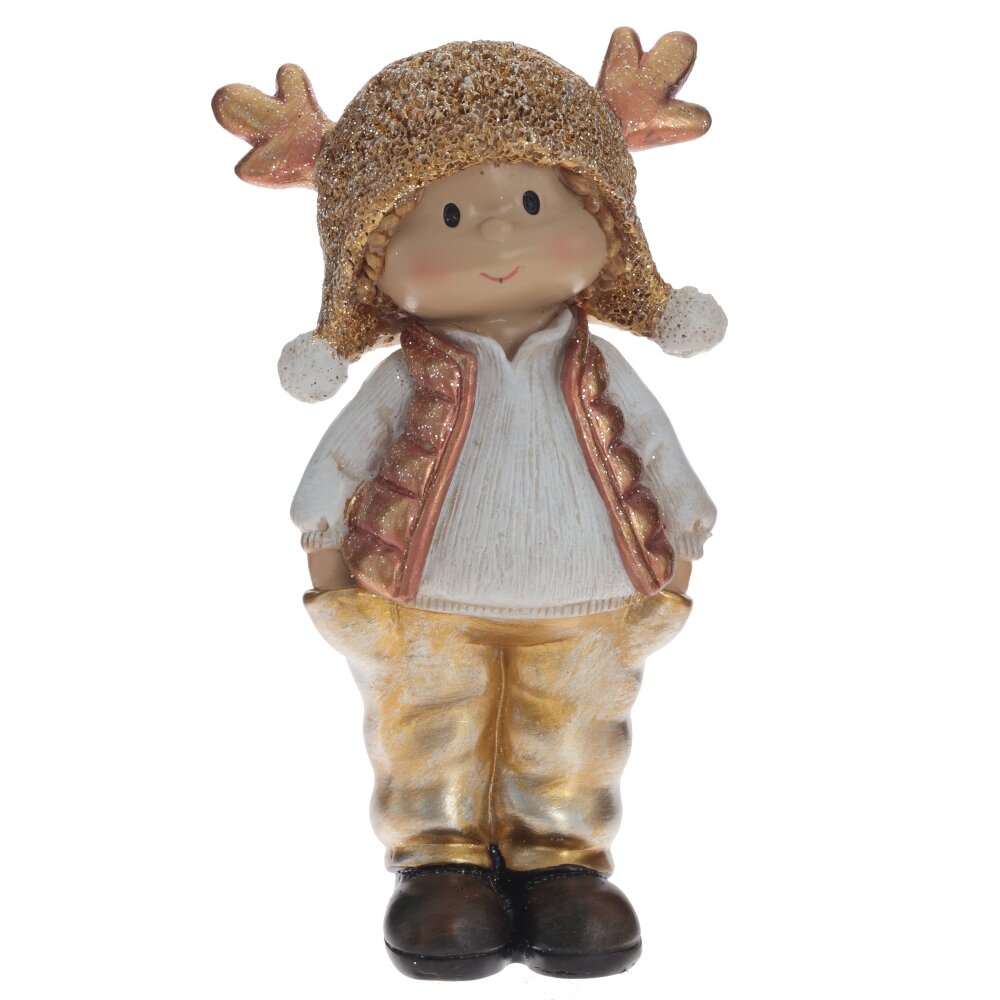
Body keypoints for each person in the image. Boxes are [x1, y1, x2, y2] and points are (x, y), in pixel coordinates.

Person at [213, 31, 726, 980]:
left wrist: (685, 527)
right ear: (374, 256)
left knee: (572, 726)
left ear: (603, 221)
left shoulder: (596, 365)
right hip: (425, 601)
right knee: (429, 721)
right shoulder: (408, 375)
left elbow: (656, 452)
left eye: (532, 204)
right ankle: (439, 859)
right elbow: (337, 467)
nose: (496, 238)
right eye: (448, 215)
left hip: (585, 599)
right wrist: (325, 550)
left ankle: (562, 860)